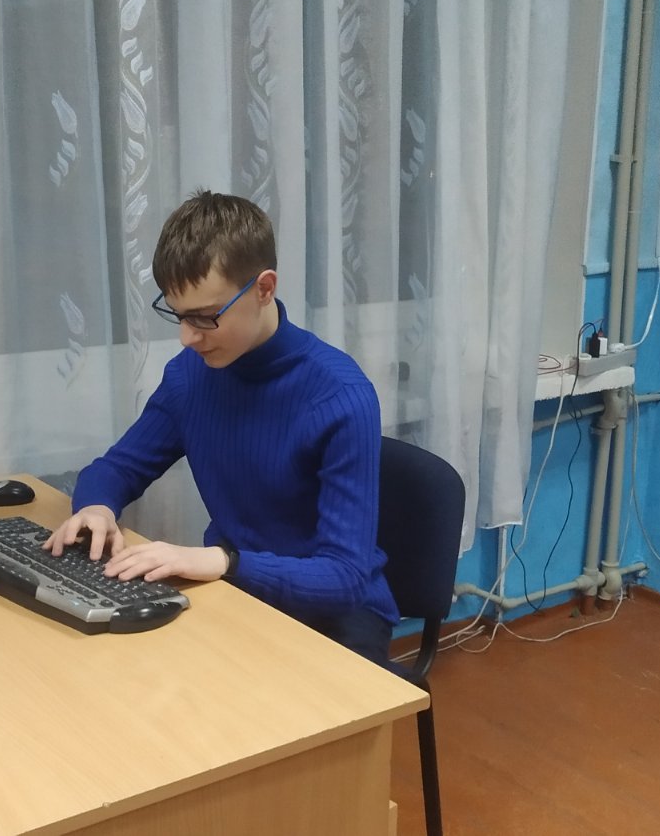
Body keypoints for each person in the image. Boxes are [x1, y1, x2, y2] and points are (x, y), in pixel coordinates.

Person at [44, 190, 398, 663]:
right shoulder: (192, 376)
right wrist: (97, 507)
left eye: (205, 317)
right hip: (238, 589)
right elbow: (118, 468)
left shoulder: (340, 396)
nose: (187, 338)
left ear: (264, 289)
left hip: (336, 615)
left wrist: (223, 561)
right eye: (178, 315)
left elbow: (345, 578)